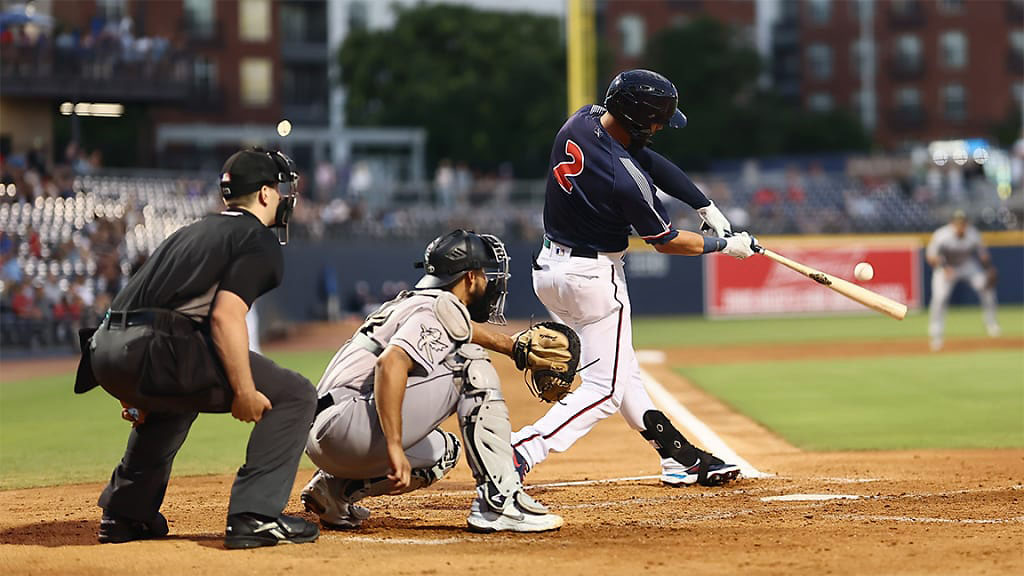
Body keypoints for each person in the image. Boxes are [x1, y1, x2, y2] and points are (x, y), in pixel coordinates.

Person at [510, 69, 757, 487]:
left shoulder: (583, 120)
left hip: (550, 272)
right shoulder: (625, 180)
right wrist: (725, 246)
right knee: (605, 390)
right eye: (659, 120)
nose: (662, 127)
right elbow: (666, 240)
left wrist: (704, 206)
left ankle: (679, 457)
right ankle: (519, 452)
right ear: (641, 120)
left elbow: (650, 160)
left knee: (622, 373)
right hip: (593, 279)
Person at [73, 147, 319, 549]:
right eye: (279, 189)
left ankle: (124, 515)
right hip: (151, 348)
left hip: (106, 348)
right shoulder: (256, 239)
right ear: (262, 194)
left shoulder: (193, 230)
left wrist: (133, 387)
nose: (284, 197)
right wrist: (243, 391)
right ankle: (255, 517)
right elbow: (225, 317)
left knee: (177, 397)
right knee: (295, 394)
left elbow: (136, 303)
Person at [301, 229, 563, 533]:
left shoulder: (414, 302)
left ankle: (333, 490)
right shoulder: (440, 307)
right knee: (468, 363)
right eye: (484, 274)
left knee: (442, 452)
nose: (488, 281)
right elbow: (391, 363)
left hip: (323, 437)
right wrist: (394, 445)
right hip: (349, 427)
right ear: (469, 278)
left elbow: (457, 329)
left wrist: (510, 346)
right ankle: (500, 501)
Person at [925, 210, 1000, 351]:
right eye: (958, 222)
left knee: (986, 287)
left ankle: (991, 323)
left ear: (967, 223)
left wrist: (989, 268)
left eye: (963, 222)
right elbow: (931, 257)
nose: (961, 225)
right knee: (939, 298)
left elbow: (983, 255)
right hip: (945, 265)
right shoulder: (942, 235)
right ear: (952, 223)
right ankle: (936, 333)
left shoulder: (973, 234)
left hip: (967, 265)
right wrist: (945, 268)